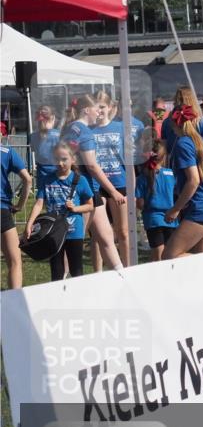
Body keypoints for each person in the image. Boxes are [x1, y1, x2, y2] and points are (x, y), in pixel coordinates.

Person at [60, 95, 124, 272]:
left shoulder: (69, 127)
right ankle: (62, 283)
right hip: (82, 190)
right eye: (97, 108)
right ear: (86, 110)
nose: (99, 113)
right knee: (75, 241)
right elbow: (93, 166)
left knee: (106, 237)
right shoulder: (85, 132)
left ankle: (122, 276)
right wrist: (113, 191)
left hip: (86, 189)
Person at [23, 142, 94, 281]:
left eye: (64, 159)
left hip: (74, 231)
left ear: (73, 159)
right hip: (53, 232)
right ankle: (58, 300)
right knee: (56, 269)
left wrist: (75, 208)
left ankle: (79, 299)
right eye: (57, 159)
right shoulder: (47, 179)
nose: (60, 163)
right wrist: (29, 224)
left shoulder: (80, 180)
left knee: (76, 269)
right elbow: (39, 203)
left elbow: (90, 205)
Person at [163, 105, 203, 258]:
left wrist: (175, 209)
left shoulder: (183, 144)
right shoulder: (201, 142)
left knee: (169, 256)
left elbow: (193, 181)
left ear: (173, 123)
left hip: (200, 208)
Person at [91, 91, 130, 265]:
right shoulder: (88, 130)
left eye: (102, 107)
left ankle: (128, 267)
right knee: (98, 234)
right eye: (96, 107)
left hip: (119, 182)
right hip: (97, 185)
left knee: (122, 231)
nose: (99, 111)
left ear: (110, 108)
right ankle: (98, 272)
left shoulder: (120, 128)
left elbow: (129, 159)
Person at [135, 139, 177, 261]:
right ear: (164, 158)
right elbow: (177, 194)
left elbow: (140, 203)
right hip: (171, 219)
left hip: (152, 220)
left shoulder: (142, 177)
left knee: (157, 253)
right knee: (169, 254)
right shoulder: (171, 174)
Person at [2, 142, 32, 289]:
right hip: (1, 209)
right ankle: (15, 302)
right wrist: (20, 205)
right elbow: (28, 179)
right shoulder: (7, 152)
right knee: (15, 261)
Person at [30, 105, 61, 186]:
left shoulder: (33, 136)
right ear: (53, 117)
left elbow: (34, 150)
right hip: (58, 173)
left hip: (41, 175)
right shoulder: (60, 135)